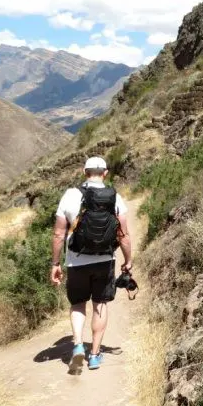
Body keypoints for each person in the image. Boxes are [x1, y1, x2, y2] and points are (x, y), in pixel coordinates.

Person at [50, 156, 133, 373]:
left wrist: (55, 263)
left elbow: (59, 233)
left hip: (76, 261)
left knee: (78, 304)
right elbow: (123, 235)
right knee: (100, 305)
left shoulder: (70, 195)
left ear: (84, 172)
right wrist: (128, 260)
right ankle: (94, 355)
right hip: (104, 259)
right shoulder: (114, 197)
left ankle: (78, 345)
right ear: (105, 173)